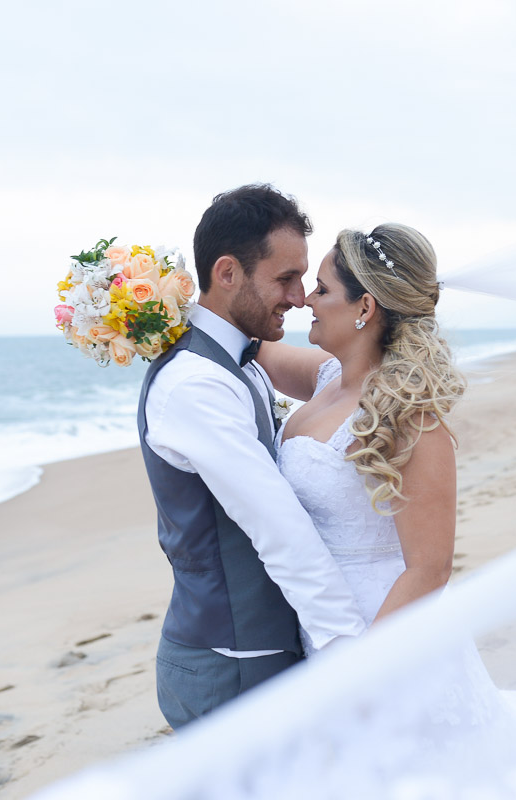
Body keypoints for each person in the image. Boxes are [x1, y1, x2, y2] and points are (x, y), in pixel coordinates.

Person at [257, 223, 516, 795]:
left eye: (322, 289)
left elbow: (429, 567)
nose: (306, 298)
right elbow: (251, 348)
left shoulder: (407, 414)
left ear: (366, 307)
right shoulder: (328, 377)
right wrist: (161, 309)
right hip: (323, 619)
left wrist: (357, 677)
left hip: (387, 639)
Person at [137, 184, 366, 731]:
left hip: (260, 658)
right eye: (285, 279)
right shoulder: (196, 384)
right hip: (233, 669)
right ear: (228, 273)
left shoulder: (240, 360)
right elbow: (280, 532)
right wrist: (354, 657)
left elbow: (333, 378)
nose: (299, 296)